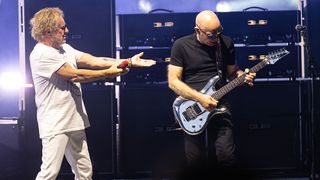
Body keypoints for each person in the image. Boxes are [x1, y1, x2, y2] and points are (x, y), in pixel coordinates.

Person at [29, 7, 155, 180]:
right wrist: (108, 74)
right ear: (47, 30)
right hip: (55, 123)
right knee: (49, 173)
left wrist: (128, 62)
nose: (67, 30)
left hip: (74, 119)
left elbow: (95, 61)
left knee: (84, 172)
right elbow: (74, 75)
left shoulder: (65, 49)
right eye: (62, 27)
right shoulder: (41, 54)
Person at [168, 10, 256, 178]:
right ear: (197, 30)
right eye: (210, 35)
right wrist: (200, 98)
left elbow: (232, 72)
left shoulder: (225, 43)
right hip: (191, 108)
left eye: (218, 33)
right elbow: (173, 81)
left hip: (220, 104)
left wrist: (242, 77)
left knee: (227, 157)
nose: (215, 38)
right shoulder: (181, 45)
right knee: (196, 161)